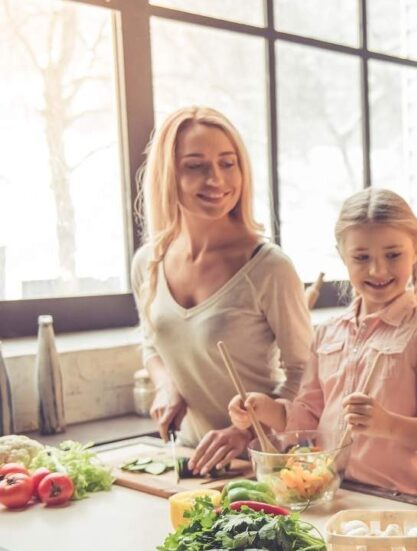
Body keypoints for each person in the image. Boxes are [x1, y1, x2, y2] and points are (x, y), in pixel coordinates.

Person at [229, 188, 417, 495]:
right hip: (333, 493)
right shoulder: (326, 333)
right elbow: (306, 417)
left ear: (415, 249)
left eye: (393, 255)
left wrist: (388, 424)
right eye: (362, 257)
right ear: (342, 256)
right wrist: (264, 409)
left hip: (400, 501)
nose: (378, 270)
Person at [132, 106, 312, 476]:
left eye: (227, 163)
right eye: (195, 166)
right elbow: (151, 342)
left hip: (264, 464)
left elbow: (308, 376)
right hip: (189, 458)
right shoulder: (148, 263)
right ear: (168, 175)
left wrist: (242, 431)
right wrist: (168, 387)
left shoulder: (269, 267)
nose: (216, 179)